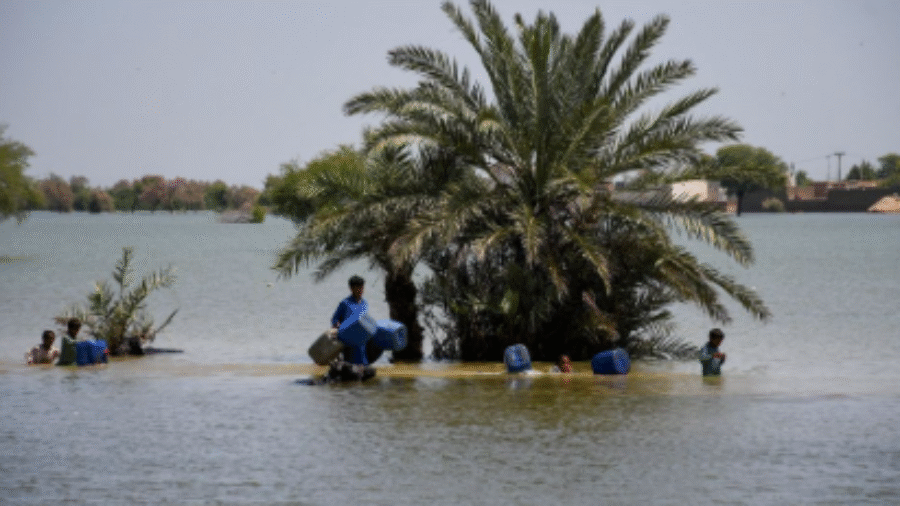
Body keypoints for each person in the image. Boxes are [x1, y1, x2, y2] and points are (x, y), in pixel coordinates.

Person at [327, 275, 376, 380]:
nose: (360, 290)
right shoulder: (345, 303)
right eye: (357, 287)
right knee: (351, 369)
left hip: (362, 340)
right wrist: (339, 326)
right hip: (349, 340)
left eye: (362, 287)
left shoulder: (364, 303)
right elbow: (334, 320)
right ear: (351, 288)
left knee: (363, 368)